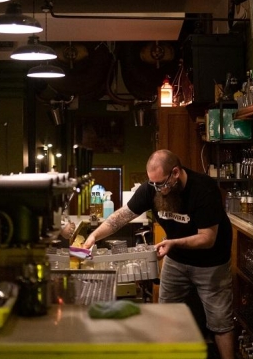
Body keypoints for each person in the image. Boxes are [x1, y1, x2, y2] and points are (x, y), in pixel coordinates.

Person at [83, 149, 234, 359]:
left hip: (211, 264)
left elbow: (207, 238)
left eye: (161, 183)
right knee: (166, 313)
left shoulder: (204, 189)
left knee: (220, 322)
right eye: (152, 183)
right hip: (176, 260)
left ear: (175, 173)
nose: (157, 189)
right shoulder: (152, 188)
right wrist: (93, 237)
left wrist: (172, 243)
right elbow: (122, 216)